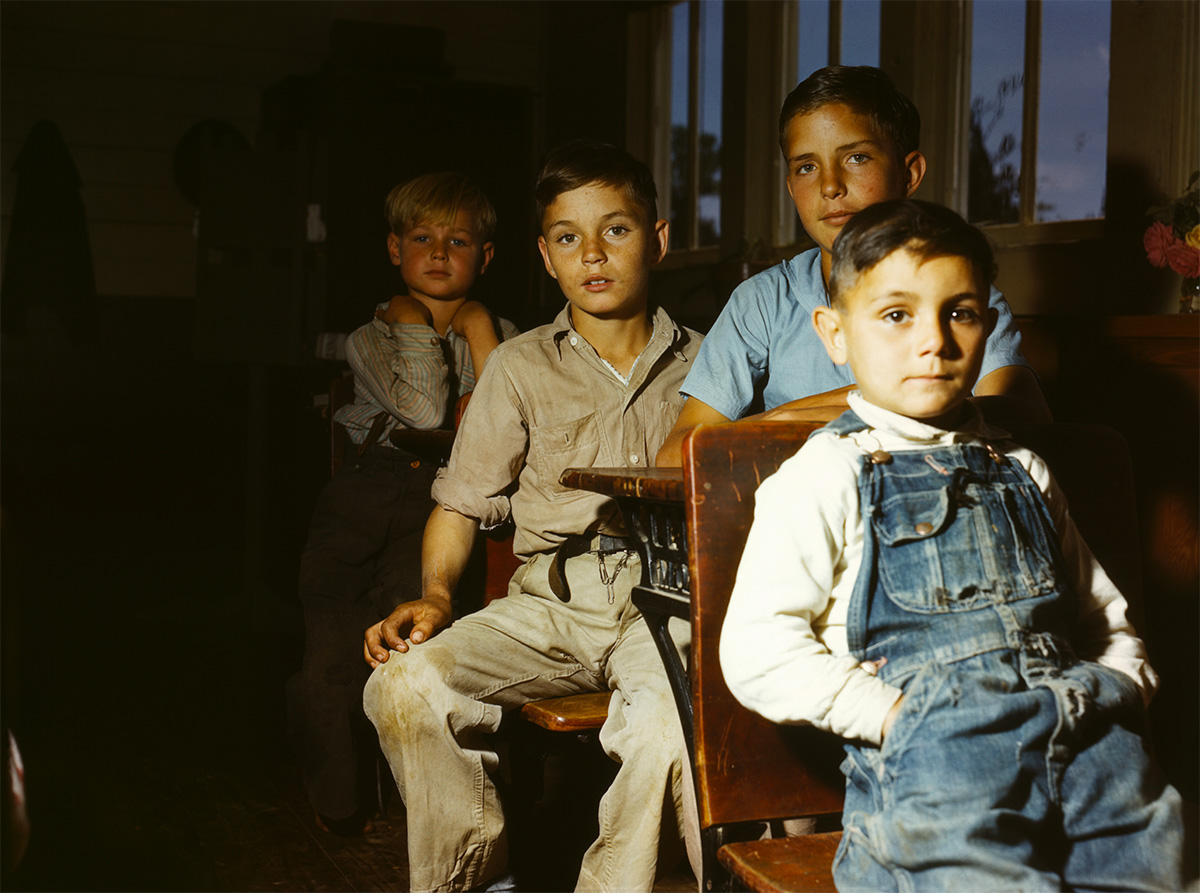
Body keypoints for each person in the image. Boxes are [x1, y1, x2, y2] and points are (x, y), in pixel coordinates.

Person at [720, 199, 1188, 891]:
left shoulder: (1022, 467)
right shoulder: (830, 473)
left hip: (1092, 743)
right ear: (835, 332)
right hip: (942, 768)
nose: (933, 340)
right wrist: (893, 716)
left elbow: (1099, 609)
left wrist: (1120, 683)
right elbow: (758, 649)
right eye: (896, 314)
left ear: (989, 324)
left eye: (960, 312)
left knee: (1162, 870)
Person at [362, 140, 703, 893]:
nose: (593, 254)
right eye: (567, 237)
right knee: (403, 685)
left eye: (616, 229)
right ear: (545, 256)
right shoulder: (517, 365)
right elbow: (458, 504)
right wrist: (438, 597)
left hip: (667, 605)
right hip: (551, 603)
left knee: (664, 730)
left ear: (659, 238)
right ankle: (480, 881)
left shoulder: (711, 364)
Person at [656, 65, 1049, 467]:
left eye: (857, 158)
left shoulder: (955, 297)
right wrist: (780, 418)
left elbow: (1025, 419)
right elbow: (675, 454)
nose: (830, 186)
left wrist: (849, 409)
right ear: (791, 187)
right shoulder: (762, 302)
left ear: (909, 173)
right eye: (806, 167)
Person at [287, 172, 518, 837]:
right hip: (363, 490)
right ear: (395, 250)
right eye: (423, 238)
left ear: (487, 256)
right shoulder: (375, 331)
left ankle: (423, 795)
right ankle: (336, 793)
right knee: (330, 642)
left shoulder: (500, 332)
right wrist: (417, 322)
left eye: (459, 239)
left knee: (408, 640)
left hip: (439, 504)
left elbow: (506, 412)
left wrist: (476, 327)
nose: (440, 252)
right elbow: (421, 406)